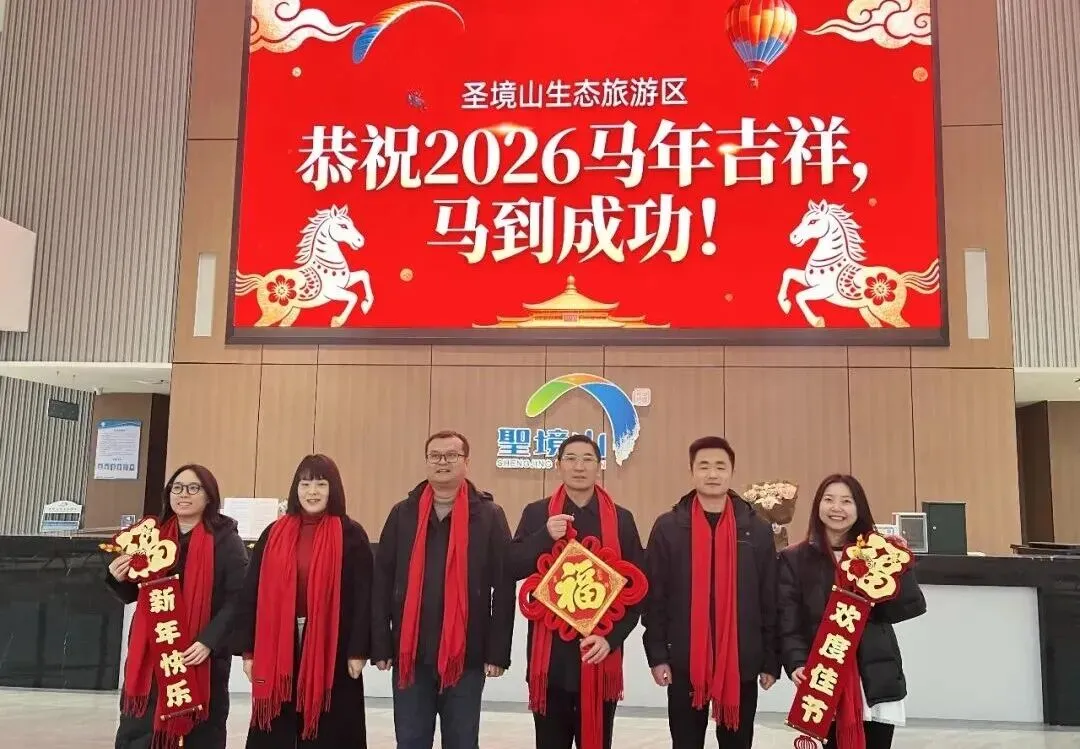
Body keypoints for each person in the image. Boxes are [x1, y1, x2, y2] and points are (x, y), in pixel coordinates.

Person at [371, 430, 515, 749]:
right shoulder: (403, 514)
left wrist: (497, 652)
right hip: (411, 653)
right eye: (435, 456)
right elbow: (381, 581)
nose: (442, 462)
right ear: (426, 462)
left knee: (462, 741)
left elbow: (504, 588)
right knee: (411, 741)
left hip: (467, 655)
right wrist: (380, 643)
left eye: (451, 455)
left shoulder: (488, 516)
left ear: (466, 462)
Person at [507, 433, 645, 749]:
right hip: (550, 662)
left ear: (599, 466)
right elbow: (512, 566)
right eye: (570, 459)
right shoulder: (537, 513)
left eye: (587, 459)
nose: (579, 467)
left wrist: (611, 639)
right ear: (558, 465)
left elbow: (636, 589)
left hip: (600, 655)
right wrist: (544, 536)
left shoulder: (621, 519)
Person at [643, 436, 780, 749]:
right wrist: (658, 655)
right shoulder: (669, 527)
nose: (712, 474)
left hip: (741, 660)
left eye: (720, 466)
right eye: (703, 466)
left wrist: (771, 660)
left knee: (737, 743)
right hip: (684, 662)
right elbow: (655, 598)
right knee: (686, 742)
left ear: (732, 472)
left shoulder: (755, 529)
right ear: (692, 471)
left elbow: (769, 598)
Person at [234, 454, 374, 749]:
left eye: (321, 484)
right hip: (277, 642)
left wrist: (359, 649)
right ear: (295, 489)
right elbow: (251, 593)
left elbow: (365, 597)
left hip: (333, 645)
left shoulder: (351, 535)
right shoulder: (273, 533)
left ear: (333, 489)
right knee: (278, 726)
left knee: (331, 725)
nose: (312, 492)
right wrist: (249, 651)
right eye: (305, 484)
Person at [777, 474, 926, 749]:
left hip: (875, 676)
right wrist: (797, 662)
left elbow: (911, 606)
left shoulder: (877, 551)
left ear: (859, 508)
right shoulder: (794, 558)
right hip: (824, 676)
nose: (837, 508)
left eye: (846, 501)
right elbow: (789, 620)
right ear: (818, 506)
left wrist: (898, 566)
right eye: (829, 500)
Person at [107, 464, 249, 749]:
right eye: (177, 488)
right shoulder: (151, 536)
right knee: (142, 728)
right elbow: (133, 593)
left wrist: (209, 641)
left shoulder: (226, 540)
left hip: (197, 655)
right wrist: (116, 576)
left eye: (194, 488)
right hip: (153, 651)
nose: (184, 494)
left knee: (197, 732)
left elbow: (239, 598)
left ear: (209, 496)